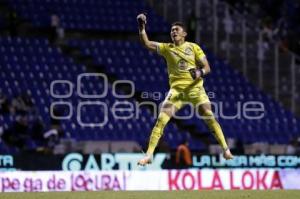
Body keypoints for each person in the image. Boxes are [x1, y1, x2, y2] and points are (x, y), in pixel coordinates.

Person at [136, 13, 234, 166]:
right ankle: (149, 155)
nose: (173, 32)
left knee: (209, 116)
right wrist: (142, 27)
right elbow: (147, 43)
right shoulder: (167, 48)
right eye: (171, 30)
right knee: (161, 120)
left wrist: (199, 72)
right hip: (176, 93)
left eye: (176, 30)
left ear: (184, 34)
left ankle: (226, 149)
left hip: (196, 90)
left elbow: (207, 67)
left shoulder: (194, 47)